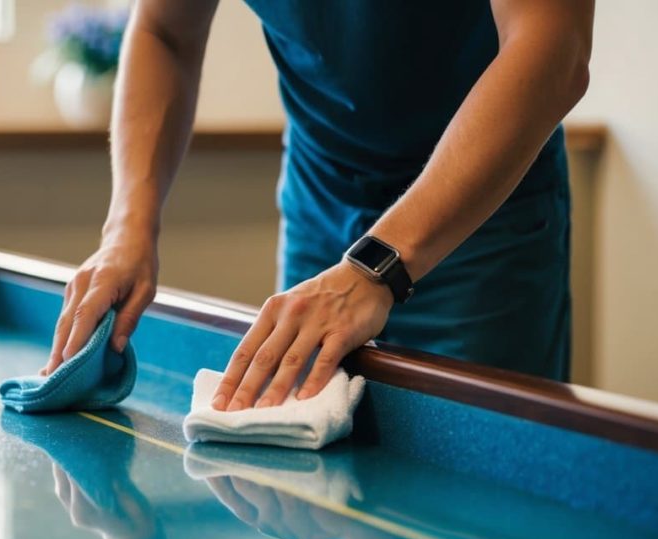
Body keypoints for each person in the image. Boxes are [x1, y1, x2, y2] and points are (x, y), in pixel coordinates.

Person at [42, 0, 595, 411]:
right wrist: (128, 229)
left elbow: (553, 45)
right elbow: (165, 32)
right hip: (322, 195)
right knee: (318, 488)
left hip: (482, 223)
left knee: (481, 525)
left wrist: (377, 265)